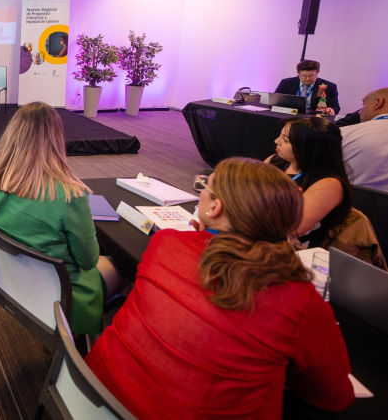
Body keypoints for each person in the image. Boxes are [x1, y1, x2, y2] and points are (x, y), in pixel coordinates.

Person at [85, 158, 354, 419]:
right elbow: (334, 396)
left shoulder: (165, 243)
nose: (200, 192)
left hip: (88, 393)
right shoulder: (299, 297)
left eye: (205, 187)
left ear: (215, 208)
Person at [0, 102, 123, 335]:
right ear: (56, 139)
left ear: (13, 135)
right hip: (64, 292)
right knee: (124, 266)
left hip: (12, 275)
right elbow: (88, 261)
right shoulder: (69, 196)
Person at [266, 117, 353, 248]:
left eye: (285, 140)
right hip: (258, 235)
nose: (276, 141)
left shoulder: (328, 184)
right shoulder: (276, 161)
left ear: (309, 148)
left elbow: (291, 227)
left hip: (291, 250)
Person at [341, 87, 388, 192]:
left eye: (363, 104)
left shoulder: (345, 134)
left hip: (350, 202)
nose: (359, 112)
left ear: (378, 103)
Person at [274, 59, 340, 115]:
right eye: (304, 76)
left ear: (318, 72)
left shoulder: (329, 86)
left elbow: (335, 107)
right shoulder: (286, 83)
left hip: (313, 118)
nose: (308, 79)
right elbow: (275, 100)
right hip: (289, 114)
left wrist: (331, 109)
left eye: (312, 76)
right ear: (298, 73)